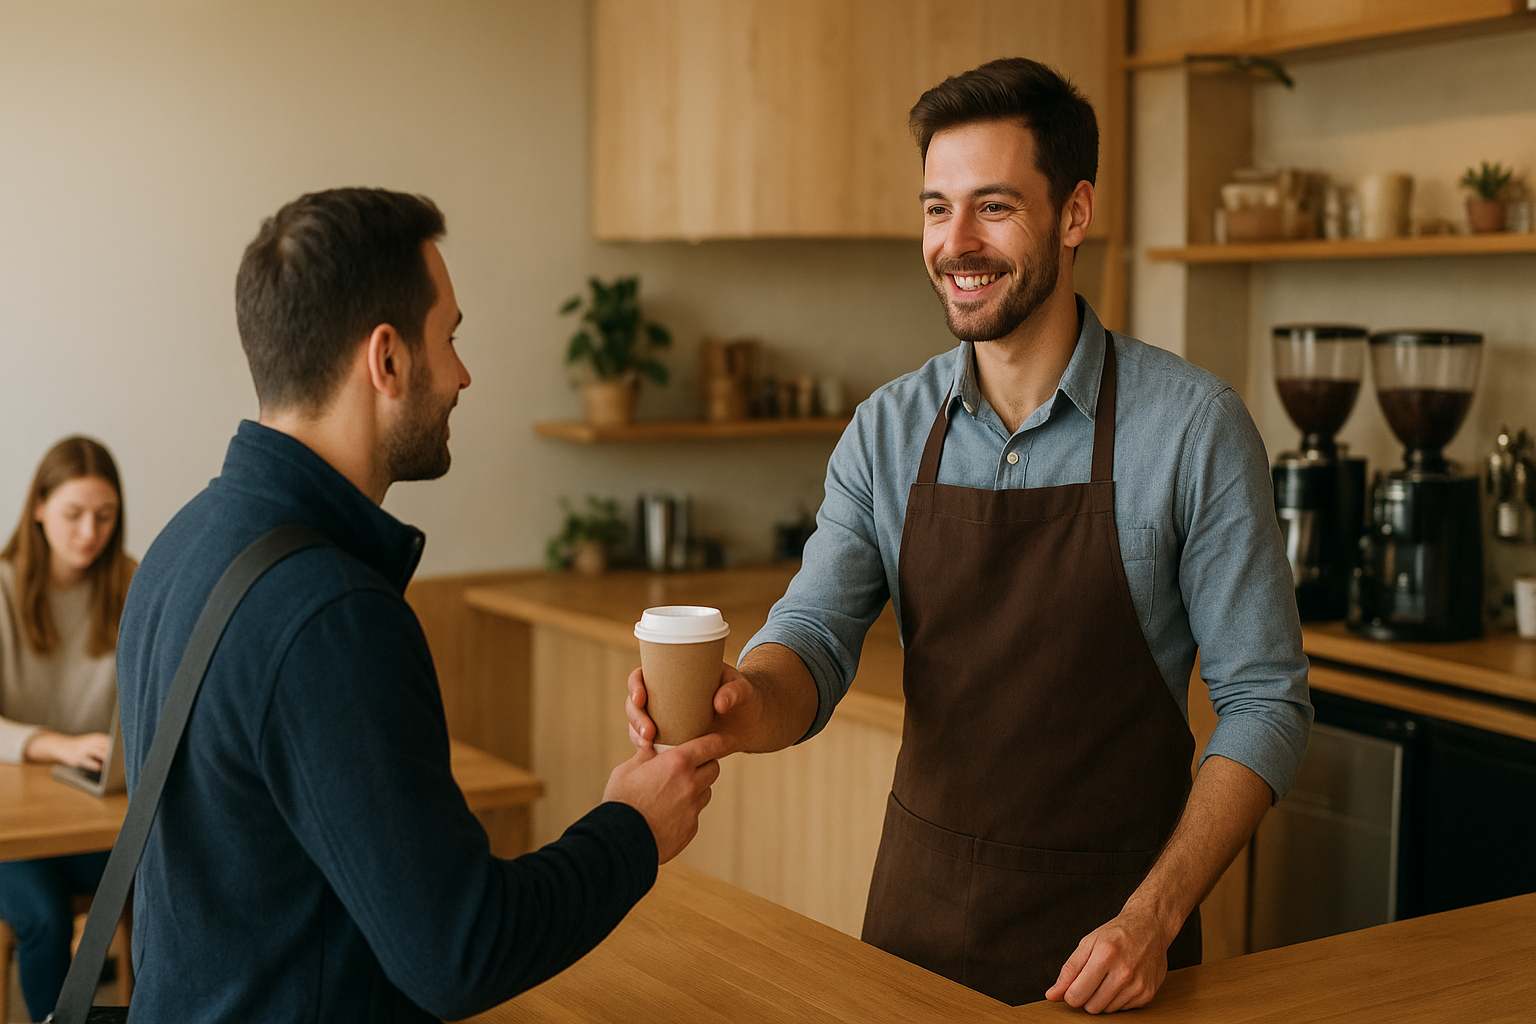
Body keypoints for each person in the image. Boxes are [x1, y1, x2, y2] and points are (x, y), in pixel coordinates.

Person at [626, 58, 1311, 1013]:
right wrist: (744, 702)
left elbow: (1265, 703)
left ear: (1074, 214)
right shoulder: (886, 430)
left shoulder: (1194, 429)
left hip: (1113, 950)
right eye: (937, 208)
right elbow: (813, 642)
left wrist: (1152, 918)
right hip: (915, 925)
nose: (957, 243)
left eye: (993, 206)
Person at [116, 188, 728, 1023]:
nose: (464, 373)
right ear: (388, 359)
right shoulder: (329, 615)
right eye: (451, 337)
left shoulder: (181, 545)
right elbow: (460, 953)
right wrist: (633, 828)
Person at [0, 436, 134, 1022]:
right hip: (11, 827)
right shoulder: (2, 588)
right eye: (73, 514)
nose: (89, 532)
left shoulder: (131, 582)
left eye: (105, 517)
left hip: (93, 813)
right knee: (45, 916)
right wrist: (56, 744)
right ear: (38, 508)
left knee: (163, 884)